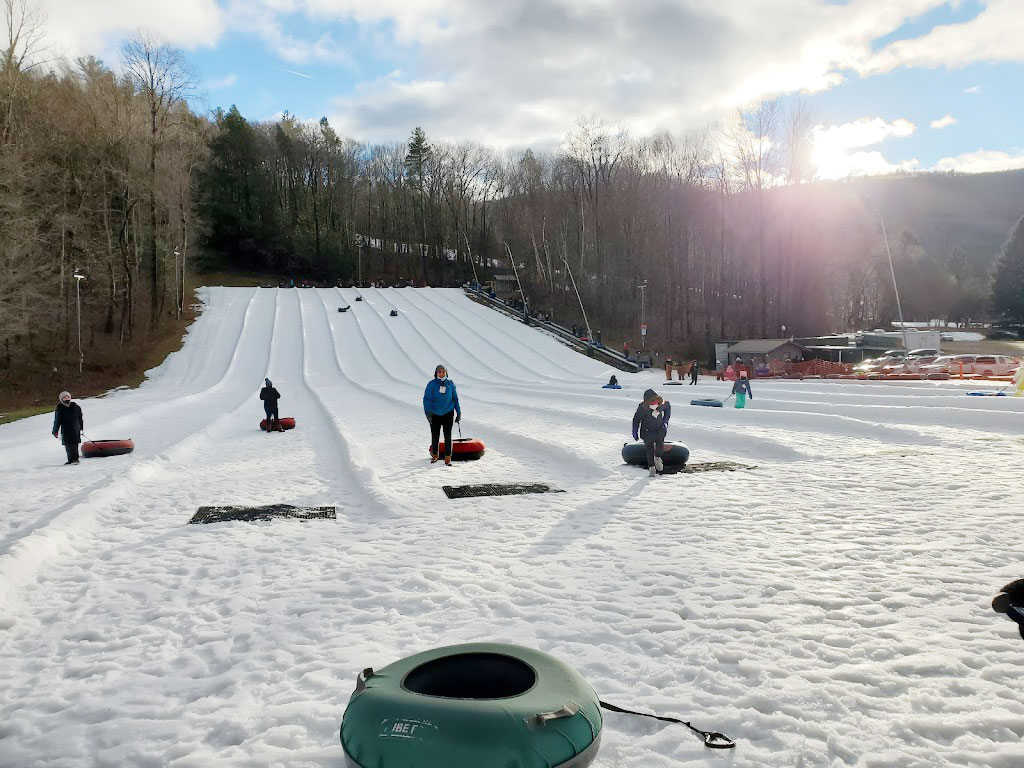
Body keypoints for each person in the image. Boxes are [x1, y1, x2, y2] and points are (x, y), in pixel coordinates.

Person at [423, 364, 462, 466]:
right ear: (436, 373)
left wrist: (459, 412)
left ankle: (448, 457)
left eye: (443, 371)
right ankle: (435, 455)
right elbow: (426, 399)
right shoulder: (432, 384)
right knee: (435, 435)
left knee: (448, 435)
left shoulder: (450, 384)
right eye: (439, 372)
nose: (441, 373)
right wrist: (427, 412)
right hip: (434, 413)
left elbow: (455, 399)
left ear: (446, 372)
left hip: (448, 413)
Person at [632, 388, 671, 477]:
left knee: (660, 445)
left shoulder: (662, 404)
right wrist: (635, 430)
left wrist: (665, 421)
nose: (653, 403)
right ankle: (651, 467)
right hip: (647, 431)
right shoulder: (642, 408)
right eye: (651, 402)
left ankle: (657, 458)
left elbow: (668, 408)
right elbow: (636, 419)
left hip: (659, 429)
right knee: (649, 449)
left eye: (655, 401)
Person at [52, 390, 84, 465]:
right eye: (64, 398)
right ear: (61, 399)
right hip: (66, 430)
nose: (66, 399)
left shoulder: (76, 407)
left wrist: (81, 428)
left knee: (75, 444)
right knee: (68, 445)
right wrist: (55, 431)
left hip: (75, 429)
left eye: (68, 397)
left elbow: (80, 419)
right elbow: (57, 421)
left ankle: (75, 459)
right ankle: (70, 459)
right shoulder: (60, 409)